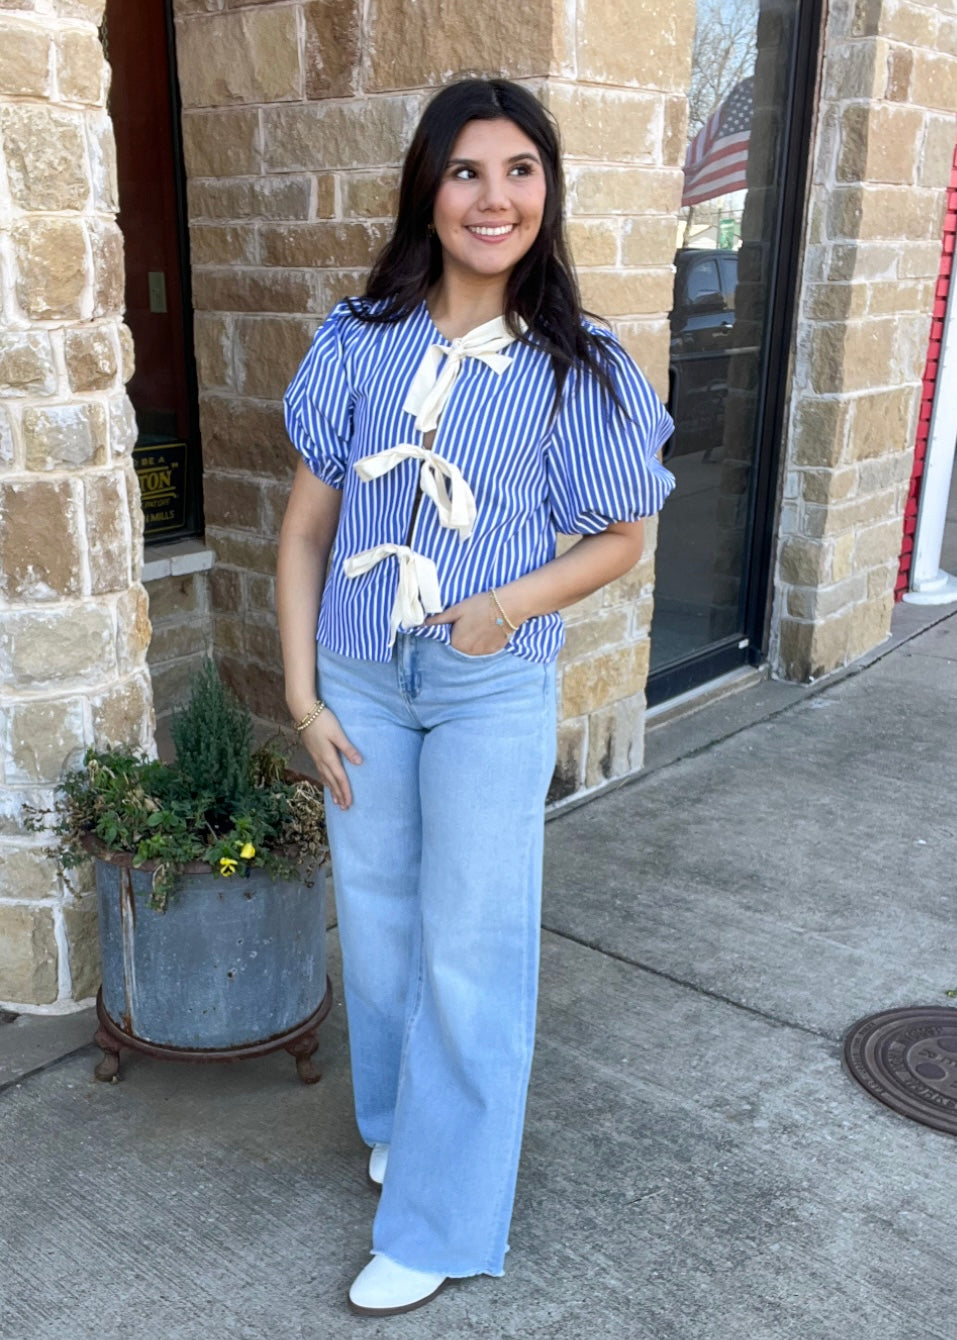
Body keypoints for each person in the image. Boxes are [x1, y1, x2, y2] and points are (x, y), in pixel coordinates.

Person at [277, 77, 675, 1318]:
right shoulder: (360, 336)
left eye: (517, 172)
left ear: (545, 191)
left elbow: (622, 533)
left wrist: (506, 602)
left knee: (470, 941)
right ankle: (403, 1121)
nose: (491, 198)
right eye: (465, 172)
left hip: (490, 674)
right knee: (384, 922)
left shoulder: (581, 361)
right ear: (429, 189)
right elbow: (302, 533)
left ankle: (442, 1221)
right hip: (356, 669)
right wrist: (300, 696)